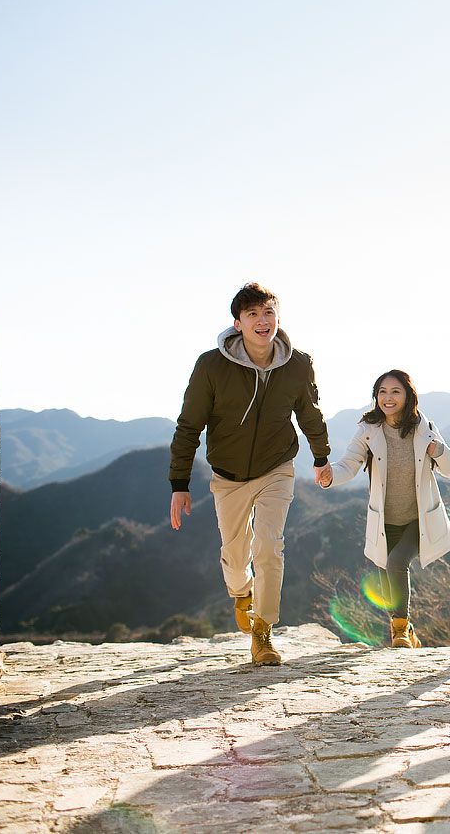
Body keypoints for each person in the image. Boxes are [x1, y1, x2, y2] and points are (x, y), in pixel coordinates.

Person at [168, 282, 332, 666]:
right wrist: (179, 484)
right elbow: (189, 425)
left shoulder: (298, 363)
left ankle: (263, 632)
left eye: (268, 312)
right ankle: (242, 593)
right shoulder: (211, 365)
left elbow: (310, 414)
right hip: (228, 475)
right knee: (235, 552)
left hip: (277, 467)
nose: (263, 321)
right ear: (237, 323)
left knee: (269, 546)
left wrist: (321, 457)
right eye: (253, 314)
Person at [322, 370, 450, 648]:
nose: (388, 397)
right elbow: (349, 463)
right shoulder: (368, 430)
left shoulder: (424, 427)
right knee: (387, 579)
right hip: (384, 519)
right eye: (382, 392)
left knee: (397, 563)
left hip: (417, 518)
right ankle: (408, 632)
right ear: (376, 397)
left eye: (395, 391)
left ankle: (400, 629)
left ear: (408, 395)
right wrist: (330, 475)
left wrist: (439, 451)